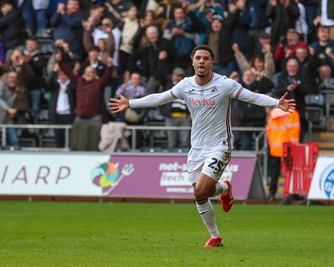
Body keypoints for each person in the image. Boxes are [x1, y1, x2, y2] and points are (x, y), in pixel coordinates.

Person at [108, 45, 295, 247]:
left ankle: (222, 196)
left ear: (211, 63)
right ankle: (217, 229)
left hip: (220, 146)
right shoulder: (185, 85)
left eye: (206, 58)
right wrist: (132, 104)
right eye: (198, 58)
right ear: (193, 62)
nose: (201, 61)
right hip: (196, 148)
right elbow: (161, 98)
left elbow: (252, 96)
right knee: (199, 194)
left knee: (201, 191)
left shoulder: (225, 84)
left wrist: (277, 103)